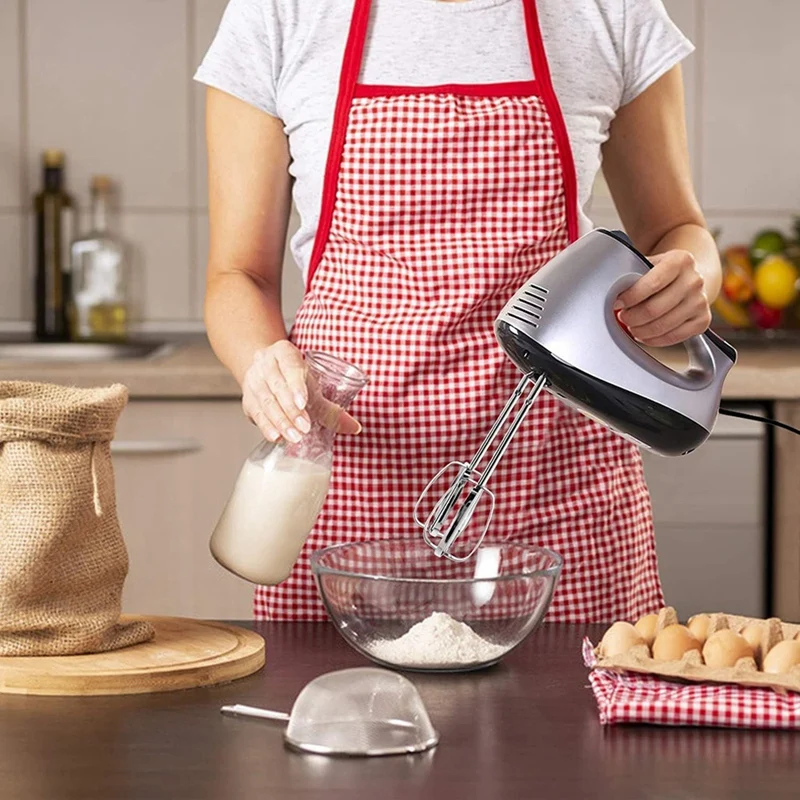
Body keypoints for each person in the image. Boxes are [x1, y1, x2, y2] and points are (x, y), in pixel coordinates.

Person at [195, 0, 721, 623]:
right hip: (352, 479)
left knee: (568, 717)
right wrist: (263, 362)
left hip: (558, 476)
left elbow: (677, 230)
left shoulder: (609, 11)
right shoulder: (280, 14)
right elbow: (239, 276)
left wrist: (693, 279)